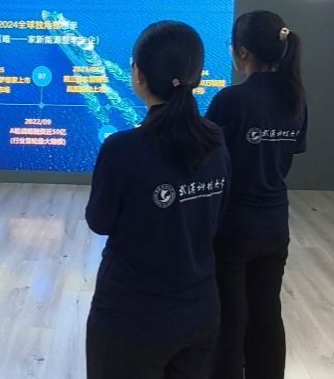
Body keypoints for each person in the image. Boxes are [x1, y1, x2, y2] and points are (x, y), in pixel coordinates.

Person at [85, 21, 231, 379]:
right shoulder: (215, 139)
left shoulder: (122, 149)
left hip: (131, 320)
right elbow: (217, 216)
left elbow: (100, 222)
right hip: (200, 313)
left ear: (138, 74)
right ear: (196, 75)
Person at [206, 11, 307, 379]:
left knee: (230, 320)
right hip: (275, 225)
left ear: (242, 52)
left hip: (232, 227)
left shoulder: (231, 100)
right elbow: (291, 152)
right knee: (267, 314)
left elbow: (206, 158)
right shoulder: (295, 98)